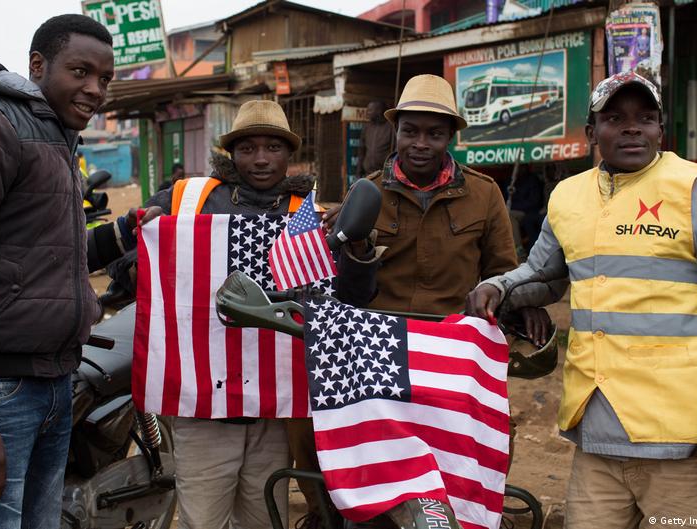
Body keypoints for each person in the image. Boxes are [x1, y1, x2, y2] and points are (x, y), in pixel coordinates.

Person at [471, 72, 697, 528]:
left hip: (685, 443)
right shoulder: (568, 196)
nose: (632, 129)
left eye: (645, 118)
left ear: (660, 130)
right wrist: (500, 287)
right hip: (598, 437)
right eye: (615, 118)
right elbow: (544, 275)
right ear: (592, 133)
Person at [0, 14, 154, 529]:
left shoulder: (53, 134)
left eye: (105, 79)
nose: (95, 89)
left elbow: (38, 259)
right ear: (37, 65)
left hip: (54, 382)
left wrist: (124, 233)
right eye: (80, 71)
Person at [303, 74, 560, 527]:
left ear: (450, 137)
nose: (421, 143)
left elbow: (504, 269)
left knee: (480, 451)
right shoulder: (366, 192)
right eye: (411, 131)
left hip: (453, 353)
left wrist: (522, 301)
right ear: (396, 131)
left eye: (434, 133)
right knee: (351, 469)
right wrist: (355, 249)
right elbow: (348, 290)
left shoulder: (484, 194)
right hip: (377, 354)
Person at [161, 99, 378, 529]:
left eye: (273, 148)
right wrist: (142, 236)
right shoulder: (189, 200)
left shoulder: (312, 214)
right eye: (248, 148)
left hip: (276, 403)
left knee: (265, 516)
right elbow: (143, 261)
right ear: (232, 153)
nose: (260, 159)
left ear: (289, 153)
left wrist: (357, 248)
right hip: (206, 402)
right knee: (202, 520)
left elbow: (352, 297)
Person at [356, 100, 395, 178]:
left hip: (384, 174)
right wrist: (358, 172)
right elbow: (361, 151)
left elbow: (395, 151)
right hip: (368, 174)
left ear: (379, 110)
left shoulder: (391, 127)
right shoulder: (367, 127)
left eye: (370, 110)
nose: (367, 112)